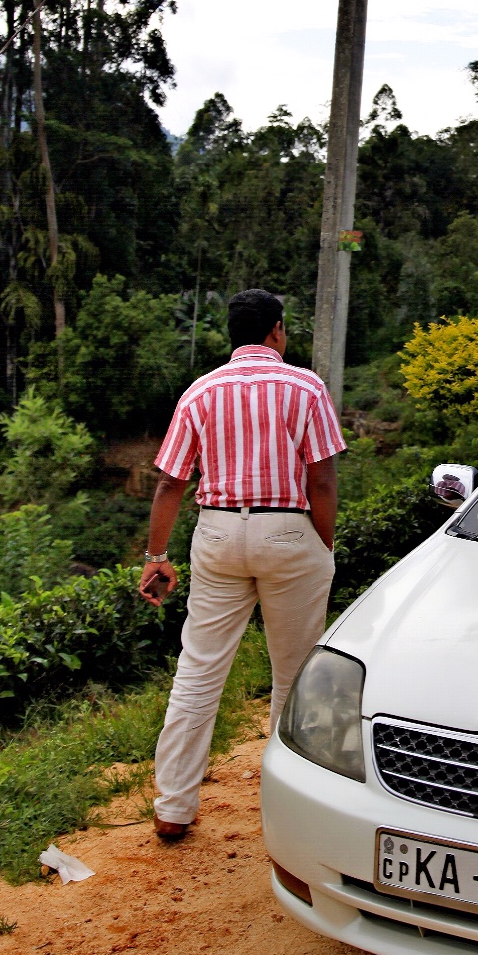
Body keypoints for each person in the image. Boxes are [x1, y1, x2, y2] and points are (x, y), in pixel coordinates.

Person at [139, 288, 344, 842]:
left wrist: (157, 557)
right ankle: (287, 804)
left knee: (199, 669)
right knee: (295, 675)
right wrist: (320, 546)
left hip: (218, 532)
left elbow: (170, 482)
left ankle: (173, 806)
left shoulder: (200, 392)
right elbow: (321, 479)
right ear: (276, 330)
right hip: (289, 529)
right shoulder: (306, 386)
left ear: (233, 334)